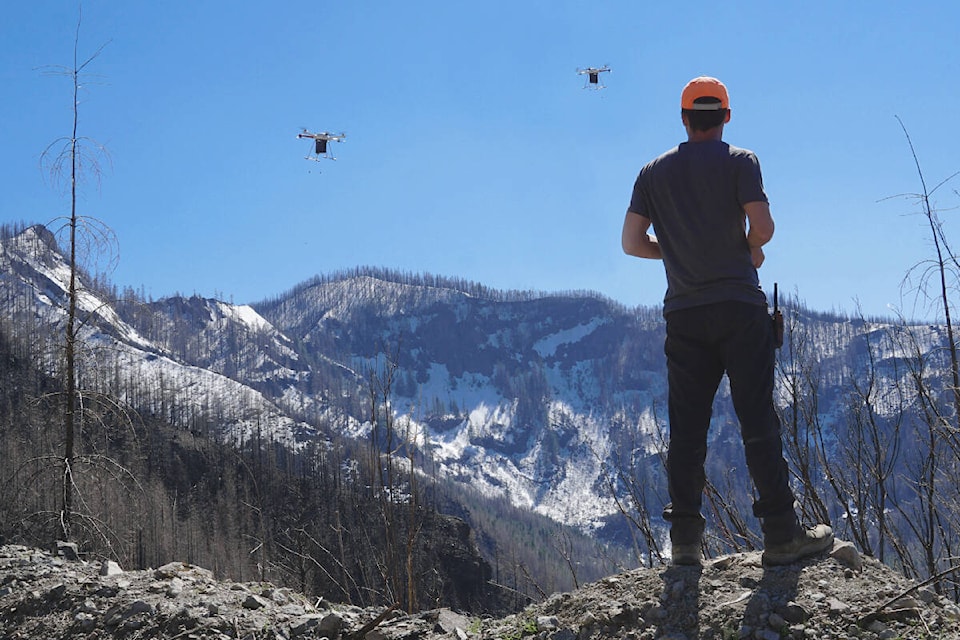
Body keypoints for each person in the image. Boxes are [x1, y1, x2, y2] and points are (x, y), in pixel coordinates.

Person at [620, 76, 833, 566]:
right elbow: (763, 228)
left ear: (683, 118)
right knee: (757, 417)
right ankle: (781, 534)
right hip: (739, 307)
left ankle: (686, 546)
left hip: (685, 314)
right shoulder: (741, 162)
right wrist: (747, 249)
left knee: (688, 427)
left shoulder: (652, 173)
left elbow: (631, 243)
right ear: (727, 117)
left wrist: (675, 253)